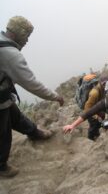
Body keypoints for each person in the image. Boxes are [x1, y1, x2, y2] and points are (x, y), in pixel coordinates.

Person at [0, 16, 64, 178]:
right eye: (26, 36)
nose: (27, 40)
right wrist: (55, 97)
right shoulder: (11, 54)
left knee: (15, 115)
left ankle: (34, 132)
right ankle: (1, 166)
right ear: (17, 33)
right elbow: (31, 83)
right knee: (3, 131)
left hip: (4, 95)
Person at [84, 76, 108, 141]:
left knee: (104, 122)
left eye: (107, 83)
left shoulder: (105, 89)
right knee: (94, 126)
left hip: (100, 109)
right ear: (101, 83)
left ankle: (100, 133)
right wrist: (96, 116)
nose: (106, 85)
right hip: (91, 112)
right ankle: (90, 139)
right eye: (104, 84)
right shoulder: (94, 93)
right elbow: (87, 108)